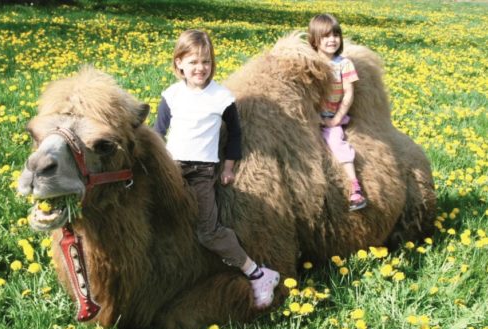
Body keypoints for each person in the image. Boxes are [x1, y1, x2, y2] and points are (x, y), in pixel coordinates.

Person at [154, 29, 280, 309]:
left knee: (208, 231)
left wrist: (229, 167)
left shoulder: (221, 97)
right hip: (172, 168)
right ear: (179, 64)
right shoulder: (171, 95)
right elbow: (157, 133)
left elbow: (235, 135)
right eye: (193, 62)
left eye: (206, 62)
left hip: (202, 172)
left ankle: (258, 274)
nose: (200, 68)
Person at [308, 14, 367, 211]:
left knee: (336, 142)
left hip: (332, 117)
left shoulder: (344, 64)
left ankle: (354, 188)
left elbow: (349, 93)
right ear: (315, 40)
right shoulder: (310, 62)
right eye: (325, 36)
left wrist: (336, 120)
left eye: (335, 34)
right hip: (312, 117)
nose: (332, 40)